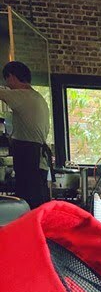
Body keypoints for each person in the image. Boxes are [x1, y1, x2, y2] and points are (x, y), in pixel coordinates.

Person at [0, 61, 51, 208]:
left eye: (7, 80)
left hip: (29, 158)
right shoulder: (38, 97)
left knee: (28, 204)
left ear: (11, 77)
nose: (7, 84)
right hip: (37, 159)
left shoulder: (22, 96)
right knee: (36, 204)